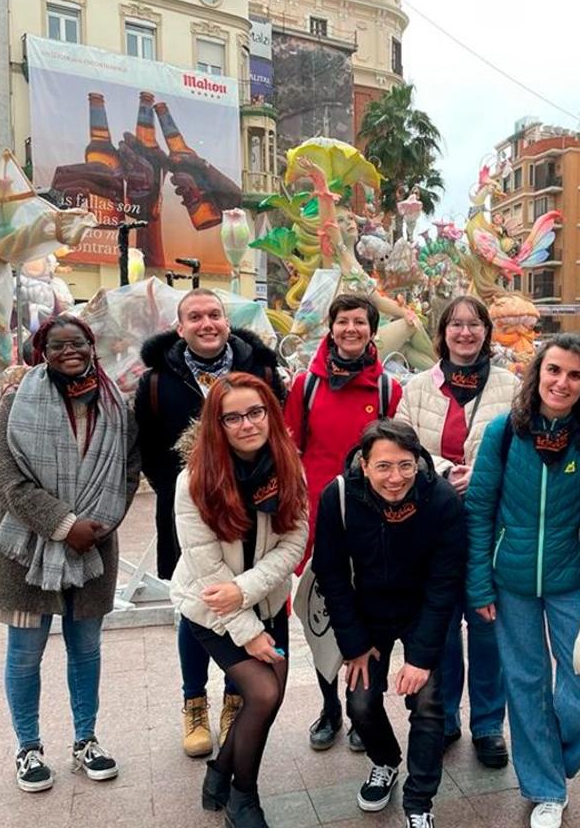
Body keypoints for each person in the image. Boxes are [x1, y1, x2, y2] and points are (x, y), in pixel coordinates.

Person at [0, 314, 140, 792]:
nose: (71, 352)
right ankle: (28, 748)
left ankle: (86, 740)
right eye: (58, 345)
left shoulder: (115, 405)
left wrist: (100, 523)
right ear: (42, 352)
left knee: (86, 649)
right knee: (25, 652)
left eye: (79, 343)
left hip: (94, 544)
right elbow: (5, 478)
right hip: (24, 547)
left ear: (91, 345)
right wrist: (65, 525)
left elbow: (128, 470)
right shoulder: (16, 401)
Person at [465, 334, 580, 828]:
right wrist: (480, 584)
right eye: (554, 370)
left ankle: (551, 756)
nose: (562, 382)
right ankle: (547, 789)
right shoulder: (504, 432)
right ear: (538, 373)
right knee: (525, 682)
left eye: (575, 374)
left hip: (572, 579)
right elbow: (479, 510)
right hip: (510, 582)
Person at [134, 287, 286, 757]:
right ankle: (193, 700)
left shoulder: (259, 370)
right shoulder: (157, 381)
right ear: (180, 327)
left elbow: (277, 432)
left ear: (226, 321)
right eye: (195, 316)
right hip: (189, 512)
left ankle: (234, 697)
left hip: (256, 508)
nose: (206, 324)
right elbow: (148, 448)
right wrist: (191, 494)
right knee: (197, 604)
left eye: (214, 315)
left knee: (247, 594)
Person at [170, 372, 308, 828]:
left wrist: (247, 592)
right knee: (263, 692)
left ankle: (218, 774)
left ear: (269, 413)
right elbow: (209, 571)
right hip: (210, 609)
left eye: (255, 412)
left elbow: (294, 543)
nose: (247, 424)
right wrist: (248, 634)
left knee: (271, 694)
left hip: (265, 601)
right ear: (218, 424)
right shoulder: (194, 480)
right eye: (233, 417)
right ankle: (242, 797)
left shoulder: (288, 466)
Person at [312, 419, 465, 828]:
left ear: (418, 462)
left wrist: (422, 656)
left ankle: (420, 800)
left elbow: (445, 582)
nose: (395, 478)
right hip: (365, 612)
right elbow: (331, 575)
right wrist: (354, 643)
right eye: (383, 466)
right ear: (364, 464)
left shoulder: (442, 500)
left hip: (422, 611)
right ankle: (385, 761)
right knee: (360, 702)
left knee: (429, 703)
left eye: (404, 465)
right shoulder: (339, 497)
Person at [395, 294, 518, 769]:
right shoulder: (418, 387)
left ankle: (488, 724)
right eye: (456, 325)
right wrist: (446, 470)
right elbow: (403, 443)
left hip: (492, 523)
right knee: (441, 626)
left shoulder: (512, 386)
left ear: (486, 332)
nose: (465, 333)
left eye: (474, 324)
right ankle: (442, 715)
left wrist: (484, 474)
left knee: (488, 625)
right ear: (443, 332)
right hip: (434, 523)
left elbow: (523, 445)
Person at [283, 293, 402, 752]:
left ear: (373, 330)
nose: (351, 329)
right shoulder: (305, 385)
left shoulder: (388, 390)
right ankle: (329, 706)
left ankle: (360, 708)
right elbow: (290, 450)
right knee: (322, 614)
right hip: (317, 518)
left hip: (372, 520)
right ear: (330, 328)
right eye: (343, 322)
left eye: (360, 322)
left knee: (369, 618)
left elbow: (398, 457)